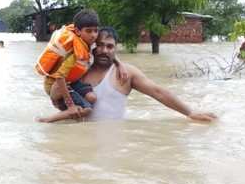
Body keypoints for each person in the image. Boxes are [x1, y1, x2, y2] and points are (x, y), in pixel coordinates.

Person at [83, 27, 217, 122]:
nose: (104, 50)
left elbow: (158, 92)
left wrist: (190, 113)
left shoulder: (125, 73)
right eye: (100, 45)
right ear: (92, 46)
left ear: (116, 48)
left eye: (109, 46)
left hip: (114, 141)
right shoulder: (80, 71)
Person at [35, 9, 101, 122]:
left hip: (71, 82)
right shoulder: (75, 52)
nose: (93, 35)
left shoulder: (87, 43)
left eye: (95, 31)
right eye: (89, 31)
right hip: (55, 85)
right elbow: (60, 77)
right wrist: (70, 105)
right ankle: (45, 120)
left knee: (92, 98)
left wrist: (119, 65)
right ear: (78, 31)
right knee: (87, 110)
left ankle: (69, 112)